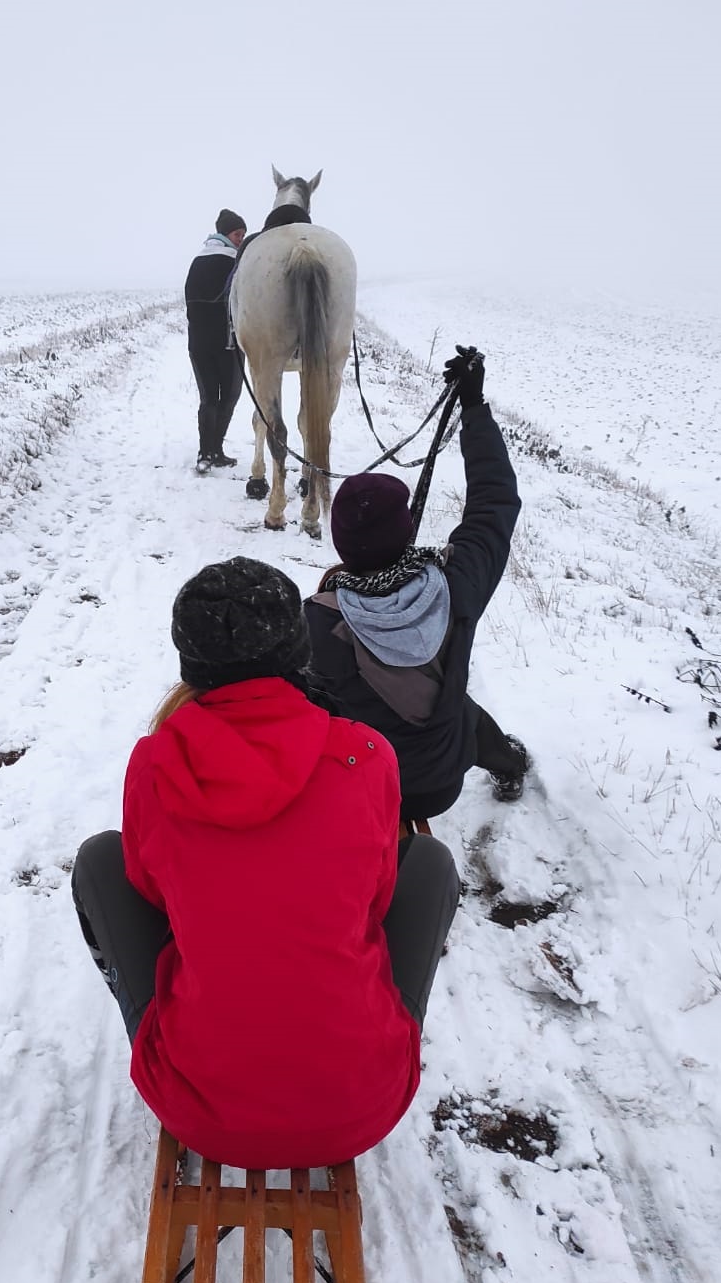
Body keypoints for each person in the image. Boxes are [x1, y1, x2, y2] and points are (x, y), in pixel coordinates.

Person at [70, 556, 460, 1170]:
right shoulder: (366, 754)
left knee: (101, 858)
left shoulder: (157, 761)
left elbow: (149, 893)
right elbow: (377, 902)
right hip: (365, 1103)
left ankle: (181, 1020)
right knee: (430, 861)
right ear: (298, 651)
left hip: (199, 1108)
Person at [305, 346, 530, 824]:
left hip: (370, 788)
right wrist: (473, 405)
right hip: (444, 775)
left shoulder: (315, 623)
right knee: (456, 710)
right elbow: (495, 502)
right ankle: (508, 765)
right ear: (408, 531)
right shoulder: (458, 581)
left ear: (340, 545)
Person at [184, 209, 247, 474]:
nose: (240, 240)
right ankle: (214, 450)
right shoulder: (236, 262)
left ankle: (206, 452)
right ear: (224, 234)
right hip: (227, 343)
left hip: (198, 343)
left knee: (208, 397)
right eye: (237, 234)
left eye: (243, 235)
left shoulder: (197, 260)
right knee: (229, 396)